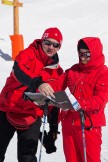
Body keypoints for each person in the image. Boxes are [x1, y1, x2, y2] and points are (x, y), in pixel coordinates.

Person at [38, 37, 108, 162]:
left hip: (88, 124)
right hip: (68, 123)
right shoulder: (74, 70)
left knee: (90, 159)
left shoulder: (102, 72)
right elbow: (57, 84)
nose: (83, 57)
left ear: (95, 53)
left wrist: (79, 104)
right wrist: (41, 88)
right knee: (71, 159)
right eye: (80, 54)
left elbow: (100, 100)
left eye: (86, 54)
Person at [0, 27, 63, 162]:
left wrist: (53, 129)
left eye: (55, 44)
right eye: (47, 43)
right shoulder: (27, 54)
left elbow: (55, 101)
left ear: (59, 47)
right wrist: (38, 83)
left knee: (27, 158)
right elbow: (18, 72)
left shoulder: (58, 72)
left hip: (32, 116)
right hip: (8, 108)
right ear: (41, 41)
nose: (51, 47)